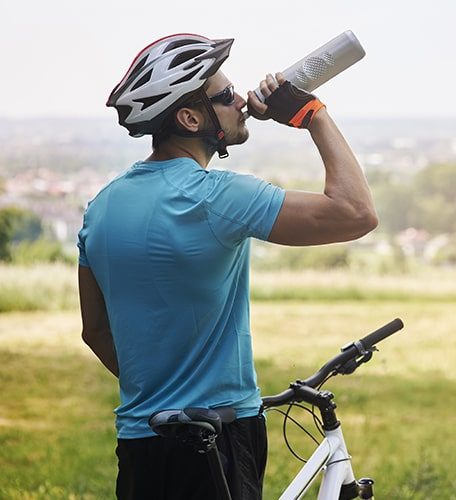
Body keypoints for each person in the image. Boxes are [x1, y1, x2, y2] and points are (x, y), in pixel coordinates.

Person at [77, 34, 377, 499]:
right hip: (218, 437)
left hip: (140, 443)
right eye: (224, 95)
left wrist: (163, 397)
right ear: (190, 118)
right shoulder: (219, 196)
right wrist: (311, 113)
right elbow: (356, 213)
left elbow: (94, 330)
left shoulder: (101, 208)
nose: (240, 101)